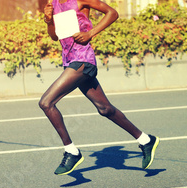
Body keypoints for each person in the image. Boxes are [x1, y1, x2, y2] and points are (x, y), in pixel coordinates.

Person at [39, 0, 160, 175]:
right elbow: (54, 36)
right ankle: (146, 140)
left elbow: (112, 13)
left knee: (46, 103)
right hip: (70, 62)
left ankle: (71, 151)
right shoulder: (54, 4)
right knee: (105, 109)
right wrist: (48, 20)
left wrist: (90, 33)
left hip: (82, 60)